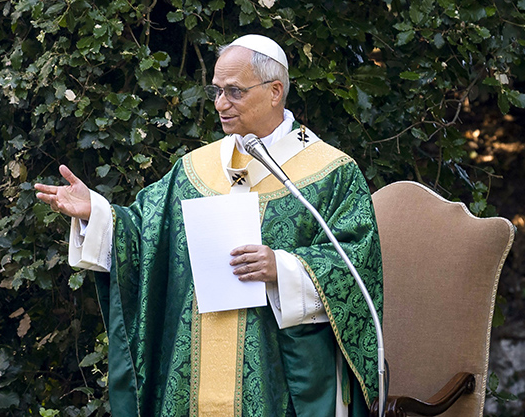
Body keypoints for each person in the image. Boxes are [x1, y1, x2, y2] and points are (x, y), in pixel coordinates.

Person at [35, 35, 383, 417]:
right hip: (190, 372)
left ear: (275, 92)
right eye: (216, 91)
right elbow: (143, 236)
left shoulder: (330, 172)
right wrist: (96, 214)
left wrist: (282, 269)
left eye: (233, 92)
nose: (220, 104)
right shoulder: (195, 169)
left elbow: (356, 266)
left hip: (279, 376)